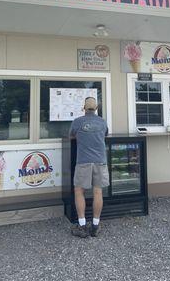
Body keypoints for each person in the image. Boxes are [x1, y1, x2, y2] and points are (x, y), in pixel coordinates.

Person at [69, 97, 109, 238]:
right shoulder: (102, 122)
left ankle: (82, 225)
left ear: (84, 108)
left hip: (83, 161)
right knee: (98, 192)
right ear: (96, 108)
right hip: (100, 161)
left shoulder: (77, 122)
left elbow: (71, 136)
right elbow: (105, 135)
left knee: (79, 191)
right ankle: (95, 226)